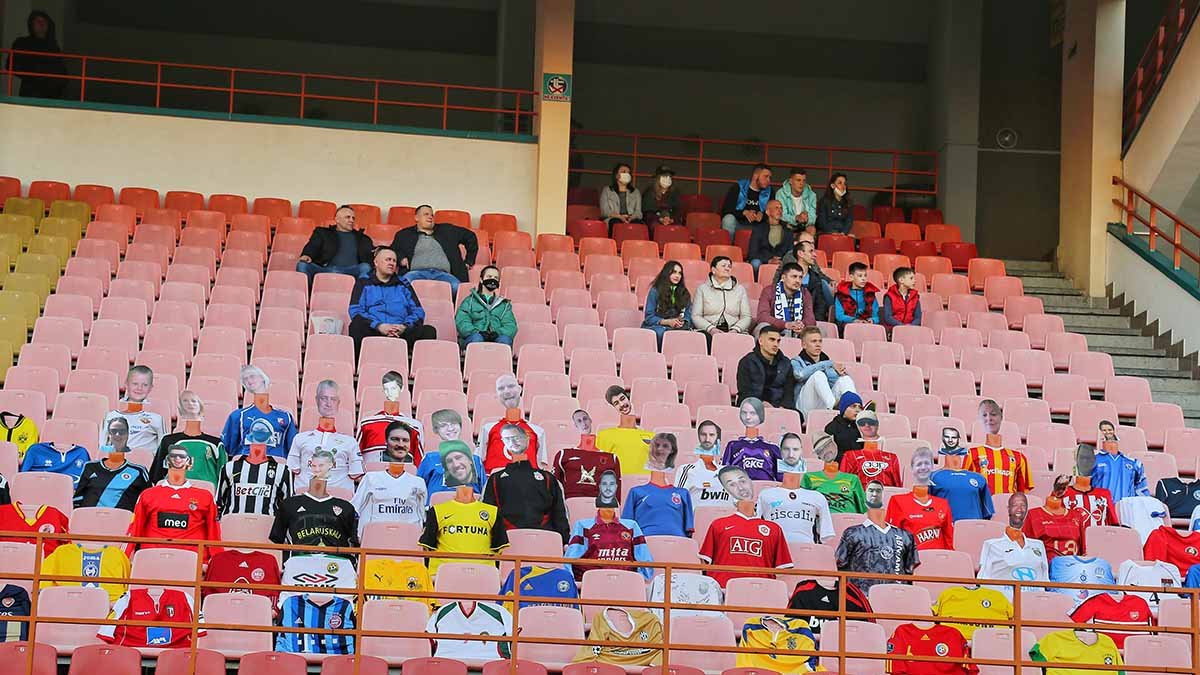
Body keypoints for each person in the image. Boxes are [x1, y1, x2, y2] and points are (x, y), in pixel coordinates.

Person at [348, 246, 436, 356]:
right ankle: (358, 367)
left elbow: (418, 311)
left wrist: (404, 326)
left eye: (394, 260)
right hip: (375, 330)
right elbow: (355, 310)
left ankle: (415, 370)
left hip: (400, 331)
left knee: (429, 331)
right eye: (388, 260)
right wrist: (379, 326)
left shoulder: (404, 283)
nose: (392, 263)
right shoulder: (363, 282)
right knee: (355, 326)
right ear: (376, 262)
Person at [390, 204, 479, 297]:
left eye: (432, 215)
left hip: (444, 274)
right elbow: (392, 250)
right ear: (416, 218)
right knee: (402, 287)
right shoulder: (404, 234)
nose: (430, 217)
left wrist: (469, 260)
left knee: (458, 289)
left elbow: (470, 236)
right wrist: (400, 258)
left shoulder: (448, 230)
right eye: (426, 214)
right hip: (415, 273)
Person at [295, 205, 373, 285]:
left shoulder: (363, 238)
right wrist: (307, 255)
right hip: (326, 269)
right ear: (337, 220)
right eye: (348, 217)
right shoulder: (323, 233)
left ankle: (360, 296)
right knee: (302, 265)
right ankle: (309, 295)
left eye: (353, 218)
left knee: (365, 267)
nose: (351, 220)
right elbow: (313, 246)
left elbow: (371, 255)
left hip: (352, 270)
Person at [792, 326, 858, 416]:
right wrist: (827, 363)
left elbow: (836, 383)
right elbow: (800, 375)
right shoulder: (796, 361)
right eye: (813, 341)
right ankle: (833, 406)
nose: (818, 344)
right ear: (804, 345)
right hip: (804, 407)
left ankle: (855, 408)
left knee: (845, 379)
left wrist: (841, 374)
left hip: (823, 405)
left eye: (820, 341)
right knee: (818, 375)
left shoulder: (827, 363)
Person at [100, 365, 168, 452]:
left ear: (151, 388)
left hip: (144, 463)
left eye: (145, 385)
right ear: (127, 384)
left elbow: (163, 449)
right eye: (135, 384)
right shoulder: (112, 416)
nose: (139, 388)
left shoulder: (156, 419)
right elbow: (102, 446)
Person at [8, 11, 66, 99]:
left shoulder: (54, 48)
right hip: (30, 93)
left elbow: (62, 72)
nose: (41, 24)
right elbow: (11, 65)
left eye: (44, 21)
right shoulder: (22, 43)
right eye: (38, 21)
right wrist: (35, 71)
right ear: (31, 24)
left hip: (51, 96)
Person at [455, 264, 517, 346]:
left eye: (496, 278)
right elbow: (462, 321)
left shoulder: (504, 305)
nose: (492, 280)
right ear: (481, 279)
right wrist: (477, 332)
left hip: (497, 338)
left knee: (505, 340)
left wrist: (497, 333)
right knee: (477, 338)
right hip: (475, 337)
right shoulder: (469, 301)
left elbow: (511, 325)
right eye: (489, 276)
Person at [735, 326, 795, 410]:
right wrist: (761, 403)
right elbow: (745, 391)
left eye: (778, 341)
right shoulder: (747, 362)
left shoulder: (786, 363)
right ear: (760, 341)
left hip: (779, 407)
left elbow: (789, 392)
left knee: (799, 416)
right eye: (771, 340)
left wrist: (783, 407)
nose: (775, 344)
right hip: (752, 405)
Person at [692, 256, 753, 338]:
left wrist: (735, 330)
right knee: (704, 339)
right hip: (708, 330)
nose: (727, 268)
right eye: (723, 266)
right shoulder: (702, 289)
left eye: (729, 266)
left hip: (734, 330)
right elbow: (696, 316)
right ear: (713, 270)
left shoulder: (740, 289)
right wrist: (711, 329)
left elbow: (746, 316)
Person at [776, 239, 834, 322]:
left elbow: (820, 308)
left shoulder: (816, 279)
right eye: (811, 251)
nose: (815, 255)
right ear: (800, 254)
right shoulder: (785, 276)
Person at [755, 262, 815, 337]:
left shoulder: (805, 293)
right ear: (783, 278)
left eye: (800, 277)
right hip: (774, 329)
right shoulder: (769, 291)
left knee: (820, 331)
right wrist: (785, 324)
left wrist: (801, 324)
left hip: (798, 330)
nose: (798, 281)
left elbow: (810, 318)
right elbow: (762, 316)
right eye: (794, 276)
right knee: (763, 327)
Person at [642, 261, 692, 347]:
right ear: (666, 273)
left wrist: (682, 322)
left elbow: (687, 315)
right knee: (662, 333)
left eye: (680, 273)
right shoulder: (655, 291)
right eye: (674, 272)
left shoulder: (685, 293)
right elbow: (649, 317)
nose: (677, 276)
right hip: (658, 327)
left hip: (677, 328)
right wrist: (667, 322)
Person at [720, 164, 773, 235]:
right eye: (766, 176)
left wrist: (763, 215)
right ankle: (730, 246)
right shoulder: (738, 187)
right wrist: (744, 213)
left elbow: (773, 213)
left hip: (759, 227)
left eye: (770, 177)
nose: (768, 180)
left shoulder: (770, 192)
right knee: (728, 219)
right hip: (739, 225)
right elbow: (726, 210)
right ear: (755, 175)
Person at [747, 200, 795, 273]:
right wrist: (769, 260)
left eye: (781, 208)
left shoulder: (788, 231)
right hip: (763, 261)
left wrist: (781, 260)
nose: (780, 210)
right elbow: (752, 253)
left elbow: (790, 252)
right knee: (755, 263)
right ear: (768, 212)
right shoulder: (759, 229)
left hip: (781, 261)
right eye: (776, 208)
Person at [833, 262, 881, 331]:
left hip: (867, 326)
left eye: (865, 276)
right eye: (860, 276)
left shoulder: (870, 294)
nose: (863, 279)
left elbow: (876, 316)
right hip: (848, 325)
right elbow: (839, 316)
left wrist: (872, 320)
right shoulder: (841, 294)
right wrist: (854, 320)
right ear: (851, 277)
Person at [599, 162, 643, 229]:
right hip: (614, 218)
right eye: (623, 172)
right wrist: (619, 216)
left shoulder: (635, 192)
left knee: (638, 223)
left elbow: (639, 213)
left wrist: (631, 217)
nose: (626, 174)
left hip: (630, 219)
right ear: (616, 175)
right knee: (616, 222)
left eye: (628, 173)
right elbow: (604, 212)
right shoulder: (607, 190)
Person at [824, 392, 864, 461]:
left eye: (860, 407)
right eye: (853, 406)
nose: (857, 410)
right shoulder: (831, 427)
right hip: (839, 468)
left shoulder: (860, 427)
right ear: (844, 408)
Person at [776, 167, 817, 235]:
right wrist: (796, 218)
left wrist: (806, 219)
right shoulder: (781, 193)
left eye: (804, 180)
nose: (801, 183)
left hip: (804, 225)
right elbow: (781, 215)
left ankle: (807, 245)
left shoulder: (812, 195)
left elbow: (813, 216)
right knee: (785, 227)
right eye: (798, 180)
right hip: (788, 224)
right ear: (791, 181)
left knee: (811, 229)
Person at [641, 165, 680, 229]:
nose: (667, 178)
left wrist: (672, 219)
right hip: (654, 220)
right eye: (664, 176)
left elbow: (678, 210)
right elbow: (647, 212)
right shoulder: (649, 192)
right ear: (657, 178)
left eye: (669, 176)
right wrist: (660, 219)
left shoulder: (675, 193)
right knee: (655, 226)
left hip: (671, 220)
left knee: (677, 228)